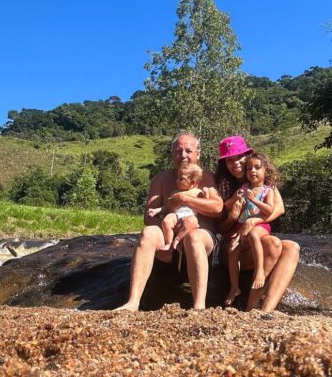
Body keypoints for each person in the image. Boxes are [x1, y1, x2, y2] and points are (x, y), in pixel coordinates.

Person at [116, 132, 223, 311]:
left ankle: (199, 307)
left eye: (188, 151)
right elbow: (148, 217)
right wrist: (170, 223)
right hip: (168, 238)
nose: (183, 155)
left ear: (198, 154)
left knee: (194, 237)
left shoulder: (207, 177)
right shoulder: (161, 179)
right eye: (178, 151)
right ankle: (133, 302)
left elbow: (217, 208)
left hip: (200, 237)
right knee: (148, 233)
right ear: (172, 153)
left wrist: (184, 199)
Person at [215, 136, 300, 311]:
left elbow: (279, 209)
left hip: (254, 237)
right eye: (229, 160)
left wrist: (253, 221)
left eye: (239, 157)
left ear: (248, 156)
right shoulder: (223, 187)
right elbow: (218, 228)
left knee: (292, 247)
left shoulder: (264, 184)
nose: (235, 163)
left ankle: (265, 311)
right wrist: (233, 216)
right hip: (232, 245)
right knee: (272, 243)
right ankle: (249, 307)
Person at [225, 151, 279, 305]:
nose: (252, 171)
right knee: (232, 249)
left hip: (260, 225)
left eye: (257, 167)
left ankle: (260, 271)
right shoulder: (245, 187)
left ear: (266, 171)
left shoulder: (268, 190)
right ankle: (234, 287)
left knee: (254, 235)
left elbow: (269, 210)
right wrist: (238, 199)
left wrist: (254, 200)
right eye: (249, 168)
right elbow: (229, 204)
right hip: (243, 225)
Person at [146, 162, 203, 254]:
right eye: (177, 177)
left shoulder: (198, 192)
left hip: (190, 216)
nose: (177, 181)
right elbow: (167, 207)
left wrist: (207, 193)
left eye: (181, 179)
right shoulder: (175, 193)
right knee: (166, 221)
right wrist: (156, 211)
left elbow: (204, 204)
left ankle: (177, 240)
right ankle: (169, 243)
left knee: (192, 221)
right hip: (176, 215)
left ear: (192, 182)